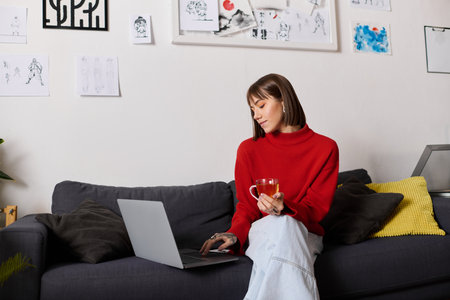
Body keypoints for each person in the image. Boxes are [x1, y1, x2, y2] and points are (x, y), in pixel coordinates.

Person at [200, 73, 339, 300]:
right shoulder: (248, 150)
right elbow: (247, 206)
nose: (256, 115)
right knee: (282, 225)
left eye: (261, 105)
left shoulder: (326, 148)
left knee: (286, 224)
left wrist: (286, 208)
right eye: (252, 110)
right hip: (263, 232)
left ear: (283, 100)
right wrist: (234, 235)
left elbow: (316, 209)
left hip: (305, 233)